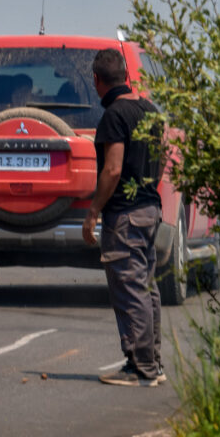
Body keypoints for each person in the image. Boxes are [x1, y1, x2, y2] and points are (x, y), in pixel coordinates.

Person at [82, 48, 165, 387]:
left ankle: (141, 367)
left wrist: (93, 211)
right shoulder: (150, 111)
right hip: (150, 209)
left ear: (97, 81)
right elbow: (159, 163)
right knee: (146, 287)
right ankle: (152, 363)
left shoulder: (114, 116)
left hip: (126, 216)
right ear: (127, 78)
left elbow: (112, 169)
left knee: (130, 289)